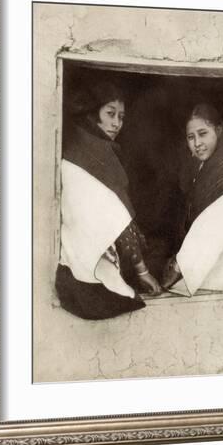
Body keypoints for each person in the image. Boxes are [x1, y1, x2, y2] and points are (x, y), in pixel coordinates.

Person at [56, 81, 161, 320]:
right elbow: (119, 217)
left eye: (121, 117)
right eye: (110, 114)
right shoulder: (99, 152)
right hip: (95, 268)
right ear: (93, 114)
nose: (117, 123)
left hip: (74, 265)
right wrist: (142, 270)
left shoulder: (75, 145)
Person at [162, 103, 223, 295]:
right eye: (190, 137)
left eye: (203, 134)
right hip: (208, 265)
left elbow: (212, 228)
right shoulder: (202, 167)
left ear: (218, 131)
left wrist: (178, 267)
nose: (197, 143)